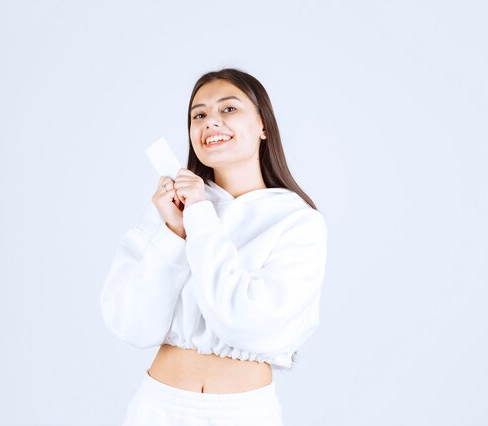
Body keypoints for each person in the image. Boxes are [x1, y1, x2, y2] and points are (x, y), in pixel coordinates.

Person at [100, 68, 328, 425]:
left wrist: (200, 220)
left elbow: (245, 322)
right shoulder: (169, 208)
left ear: (263, 126)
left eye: (229, 109)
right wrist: (174, 236)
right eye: (199, 115)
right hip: (157, 407)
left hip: (242, 413)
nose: (210, 122)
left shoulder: (297, 222)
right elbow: (132, 325)